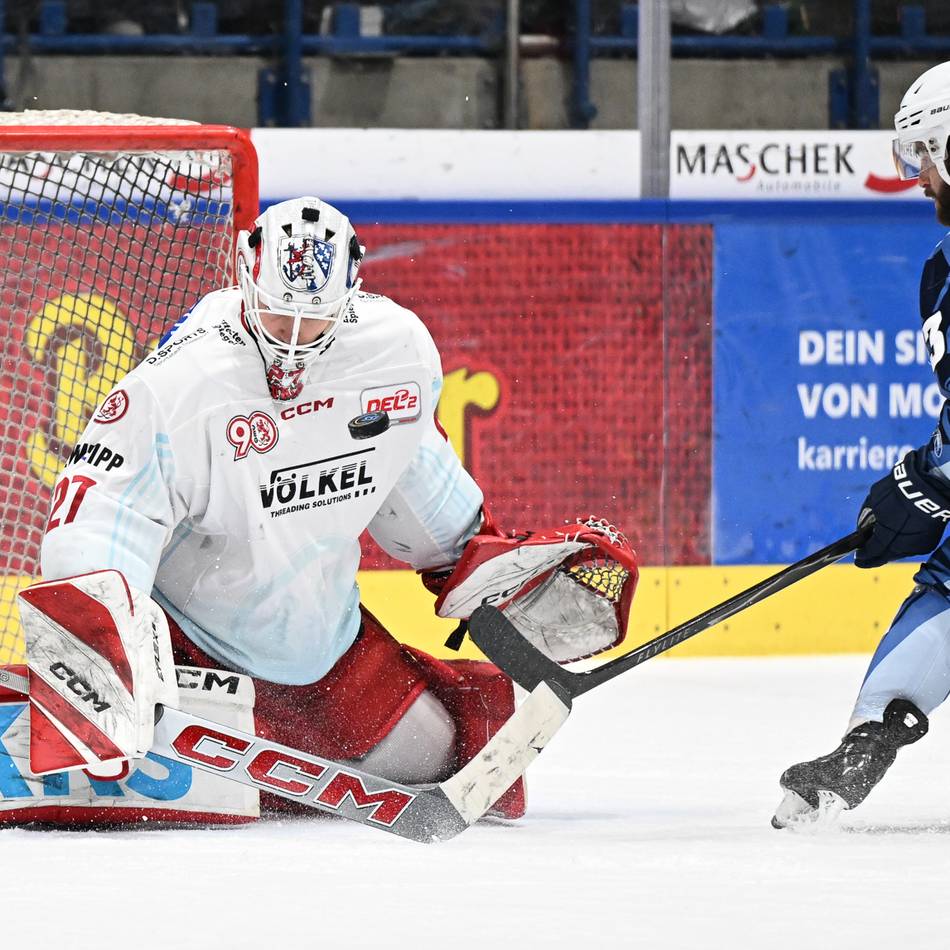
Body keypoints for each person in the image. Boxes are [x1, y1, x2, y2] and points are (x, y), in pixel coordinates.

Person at [2, 197, 636, 825]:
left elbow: (411, 473)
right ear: (248, 276)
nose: (294, 348)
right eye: (280, 319)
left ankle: (271, 754)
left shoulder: (395, 353)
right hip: (190, 643)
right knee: (100, 769)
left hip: (325, 644)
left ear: (352, 293)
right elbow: (100, 516)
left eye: (315, 322)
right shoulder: (182, 381)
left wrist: (481, 565)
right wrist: (96, 659)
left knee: (444, 753)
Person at [772, 62, 950, 828]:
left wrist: (926, 481)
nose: (918, 178)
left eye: (926, 155)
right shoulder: (944, 269)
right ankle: (867, 741)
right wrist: (923, 478)